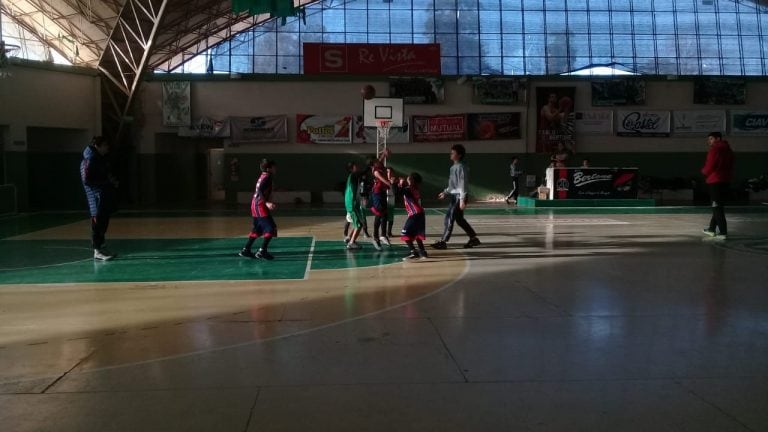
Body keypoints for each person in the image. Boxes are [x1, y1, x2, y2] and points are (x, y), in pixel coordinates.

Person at [432, 144, 481, 250]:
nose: (451, 154)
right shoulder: (453, 167)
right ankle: (473, 238)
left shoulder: (462, 167)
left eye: (453, 153)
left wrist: (462, 199)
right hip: (455, 196)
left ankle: (443, 241)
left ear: (459, 155)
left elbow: (462, 184)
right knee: (459, 220)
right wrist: (445, 192)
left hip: (459, 197)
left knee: (449, 218)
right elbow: (453, 185)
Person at [80, 136, 118, 261]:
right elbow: (87, 180)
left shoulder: (100, 159)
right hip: (96, 197)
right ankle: (97, 250)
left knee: (103, 223)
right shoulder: (90, 159)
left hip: (103, 196)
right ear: (98, 145)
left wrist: (111, 181)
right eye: (105, 145)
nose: (107, 148)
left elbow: (104, 175)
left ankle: (102, 247)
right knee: (97, 224)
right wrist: (105, 183)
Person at [239, 159, 278, 260]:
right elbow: (260, 190)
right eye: (274, 167)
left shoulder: (263, 175)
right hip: (260, 205)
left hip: (254, 204)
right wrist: (266, 202)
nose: (275, 168)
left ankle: (246, 250)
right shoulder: (268, 177)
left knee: (257, 229)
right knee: (271, 228)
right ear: (269, 168)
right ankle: (262, 251)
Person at [701, 132, 734, 240]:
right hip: (725, 180)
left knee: (716, 207)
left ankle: (723, 232)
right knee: (718, 205)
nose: (709, 141)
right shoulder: (729, 150)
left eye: (711, 139)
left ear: (718, 139)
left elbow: (710, 165)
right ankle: (711, 229)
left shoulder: (715, 149)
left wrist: (704, 172)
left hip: (715, 181)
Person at [394, 173, 428, 261]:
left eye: (410, 177)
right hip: (420, 213)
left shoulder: (408, 189)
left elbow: (397, 193)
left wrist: (398, 184)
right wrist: (400, 185)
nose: (408, 178)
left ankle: (414, 252)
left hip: (415, 214)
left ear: (413, 180)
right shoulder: (415, 188)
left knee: (404, 233)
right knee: (416, 233)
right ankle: (422, 251)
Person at [368, 149, 392, 251]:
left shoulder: (380, 164)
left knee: (385, 214)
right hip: (377, 194)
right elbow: (381, 178)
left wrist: (384, 153)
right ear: (374, 163)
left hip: (382, 193)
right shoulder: (376, 170)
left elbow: (381, 158)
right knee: (379, 214)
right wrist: (388, 183)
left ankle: (383, 235)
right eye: (377, 160)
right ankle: (375, 237)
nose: (379, 160)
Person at [344, 162, 364, 250]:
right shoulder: (352, 175)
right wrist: (382, 157)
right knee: (359, 224)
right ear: (352, 169)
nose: (358, 167)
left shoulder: (353, 177)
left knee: (358, 223)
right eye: (356, 166)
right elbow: (365, 171)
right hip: (352, 204)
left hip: (352, 203)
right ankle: (351, 243)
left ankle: (349, 238)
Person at [385, 166, 397, 238]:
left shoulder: (394, 181)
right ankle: (383, 233)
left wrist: (393, 184)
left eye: (390, 172)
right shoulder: (382, 180)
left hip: (391, 200)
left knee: (390, 217)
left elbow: (395, 192)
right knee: (383, 217)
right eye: (387, 172)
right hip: (383, 200)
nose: (389, 173)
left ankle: (389, 232)